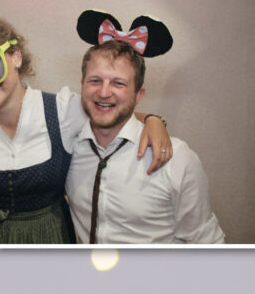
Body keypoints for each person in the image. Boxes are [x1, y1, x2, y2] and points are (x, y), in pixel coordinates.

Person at [0, 16, 171, 244]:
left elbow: (109, 112)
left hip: (50, 238)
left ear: (15, 56)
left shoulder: (62, 110)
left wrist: (153, 120)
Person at [68, 19, 224, 243]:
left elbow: (205, 241)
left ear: (138, 95)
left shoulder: (177, 159)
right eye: (95, 80)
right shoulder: (68, 147)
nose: (103, 92)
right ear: (82, 85)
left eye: (118, 83)